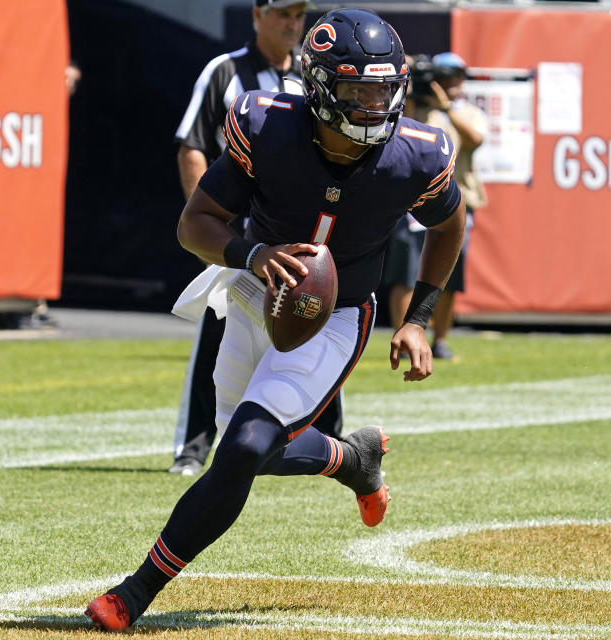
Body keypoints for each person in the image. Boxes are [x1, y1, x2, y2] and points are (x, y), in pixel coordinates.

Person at [85, 9, 464, 631]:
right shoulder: (268, 127)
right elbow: (195, 224)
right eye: (357, 90)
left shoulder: (415, 157)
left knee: (243, 449)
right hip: (254, 294)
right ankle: (351, 460)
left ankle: (135, 592)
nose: (374, 104)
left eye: (383, 89)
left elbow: (450, 223)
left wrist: (418, 315)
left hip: (339, 315)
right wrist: (253, 253)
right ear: (319, 89)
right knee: (251, 451)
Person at [169, 0, 344, 477]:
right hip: (241, 233)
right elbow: (193, 143)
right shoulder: (225, 72)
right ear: (257, 15)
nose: (292, 24)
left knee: (318, 323)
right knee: (216, 335)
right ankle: (193, 447)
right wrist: (209, 225)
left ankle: (329, 442)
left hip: (300, 231)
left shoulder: (316, 73)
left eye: (298, 15)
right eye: (282, 14)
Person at [384, 52, 486, 361]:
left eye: (456, 76)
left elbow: (475, 138)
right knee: (406, 272)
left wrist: (445, 106)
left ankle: (439, 339)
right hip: (411, 201)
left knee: (449, 274)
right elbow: (395, 130)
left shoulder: (465, 111)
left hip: (456, 202)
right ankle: (404, 335)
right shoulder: (412, 105)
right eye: (444, 76)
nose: (451, 82)